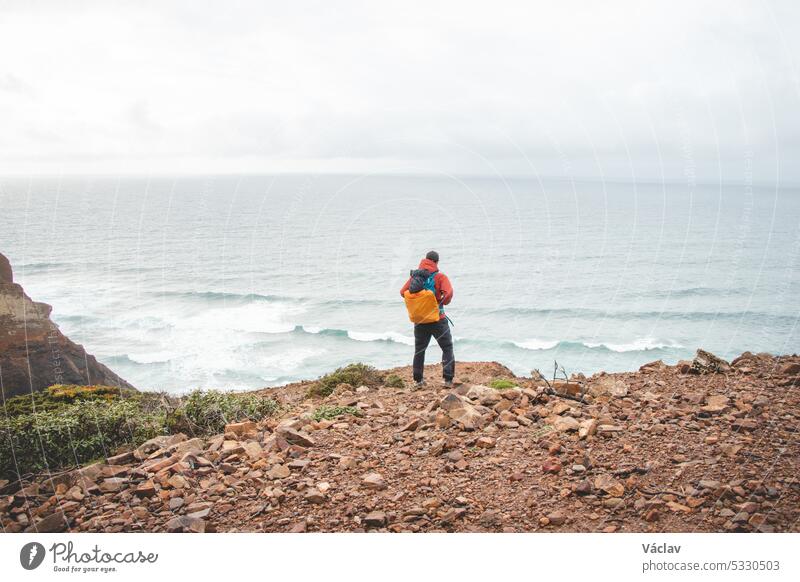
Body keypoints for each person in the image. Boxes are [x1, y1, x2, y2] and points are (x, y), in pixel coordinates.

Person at [399, 250, 455, 387]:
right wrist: (440, 302)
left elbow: (402, 292)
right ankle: (447, 380)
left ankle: (418, 381)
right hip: (437, 319)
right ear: (436, 262)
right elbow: (448, 293)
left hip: (420, 321)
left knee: (419, 350)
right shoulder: (440, 277)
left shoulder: (416, 276)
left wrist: (418, 302)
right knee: (447, 347)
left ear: (425, 260)